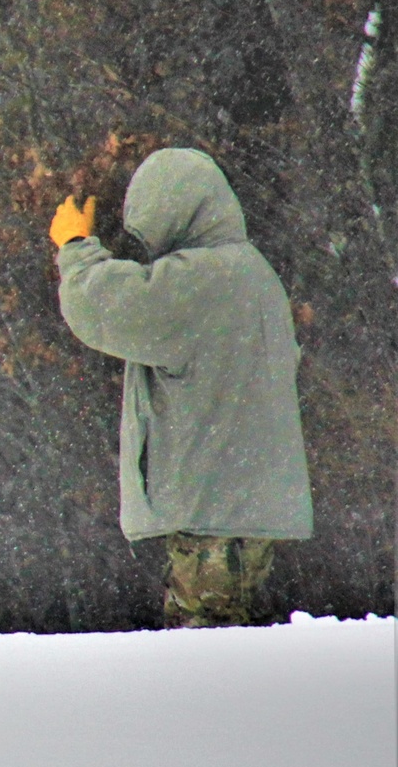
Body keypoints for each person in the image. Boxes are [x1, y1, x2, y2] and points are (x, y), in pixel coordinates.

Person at [52, 147, 313, 627]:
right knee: (235, 643)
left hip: (213, 511)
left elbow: (103, 306)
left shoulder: (204, 279)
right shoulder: (253, 274)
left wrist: (75, 247)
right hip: (243, 508)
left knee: (206, 652)